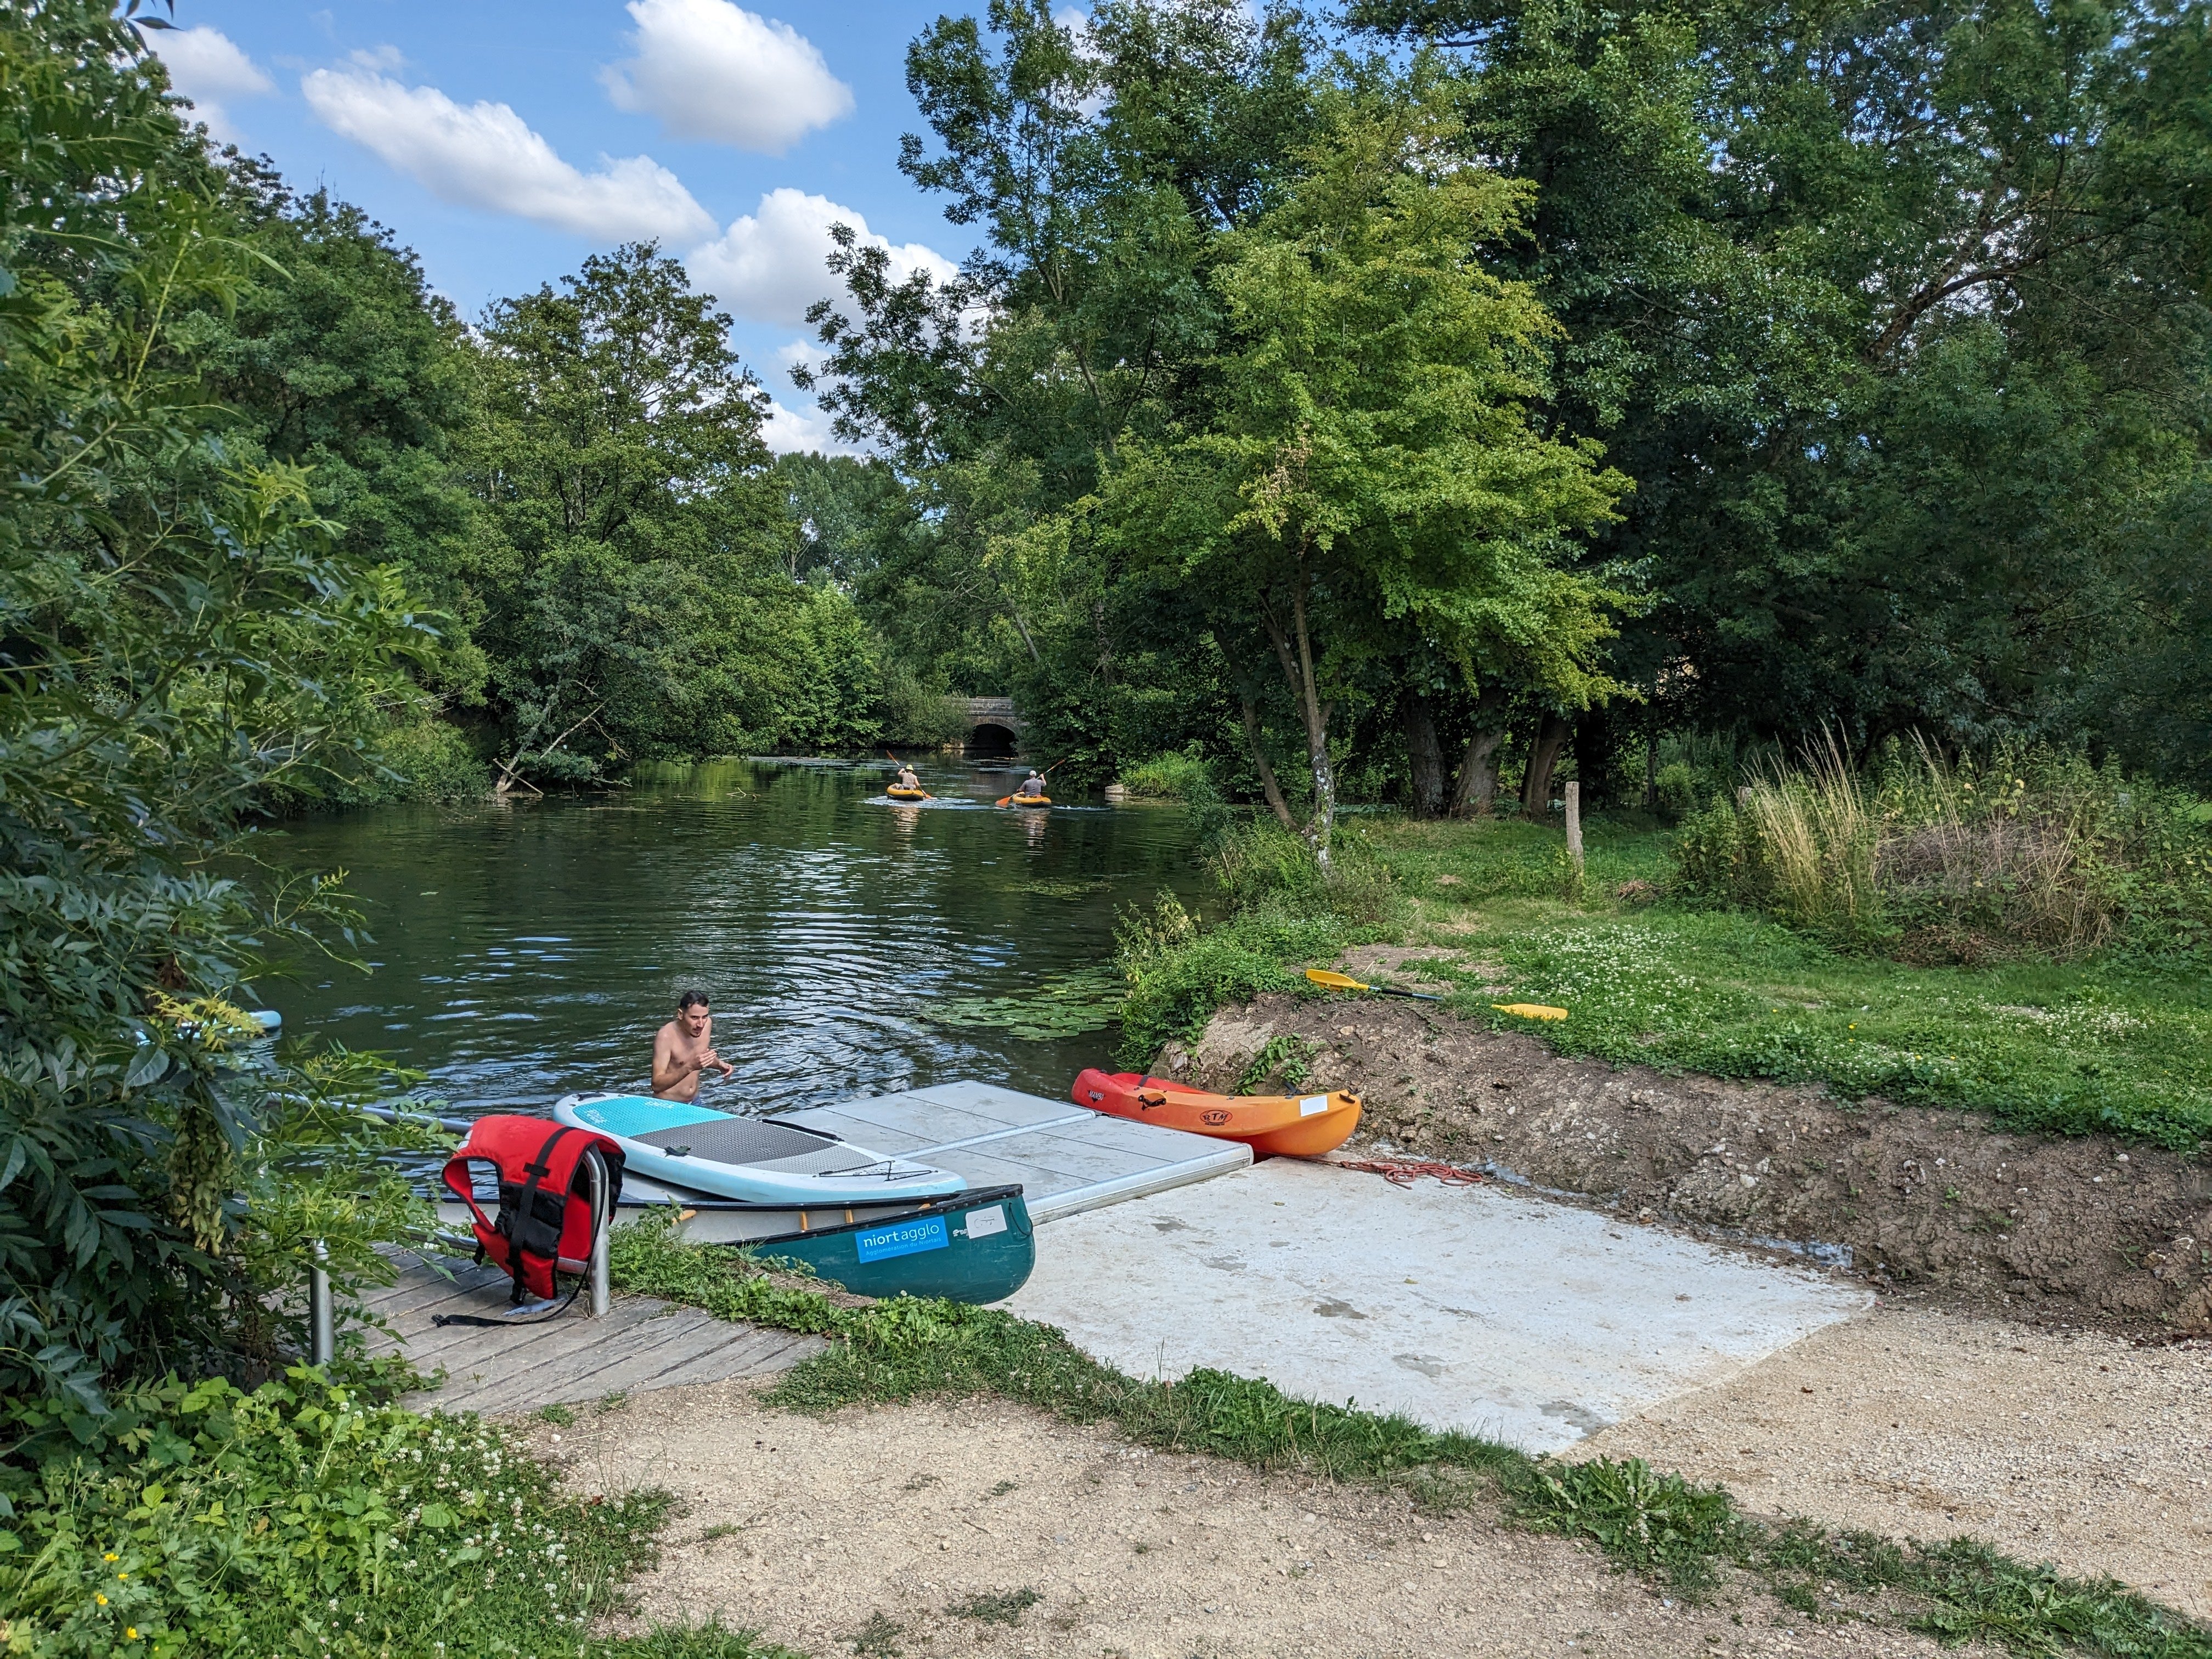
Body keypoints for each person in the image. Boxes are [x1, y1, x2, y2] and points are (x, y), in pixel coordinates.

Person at [652, 990, 735, 1102]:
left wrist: (720, 1065)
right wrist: (690, 1066)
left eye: (704, 1017)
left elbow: (700, 1057)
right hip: (669, 1104)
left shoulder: (707, 1025)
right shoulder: (666, 1036)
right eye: (694, 1018)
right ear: (681, 1015)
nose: (700, 1024)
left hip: (695, 1101)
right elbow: (656, 1085)